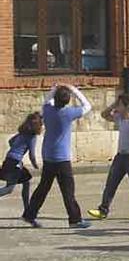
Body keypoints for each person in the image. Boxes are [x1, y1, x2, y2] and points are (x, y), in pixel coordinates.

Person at [22, 84, 92, 229]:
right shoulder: (69, 113)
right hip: (62, 158)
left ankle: (30, 214)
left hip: (48, 155)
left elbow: (46, 101)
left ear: (55, 98)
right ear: (67, 101)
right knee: (68, 190)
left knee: (43, 187)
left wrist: (55, 88)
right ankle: (75, 219)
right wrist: (74, 89)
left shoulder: (48, 111)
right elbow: (87, 106)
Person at [87, 94, 129, 221]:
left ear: (128, 107)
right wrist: (114, 104)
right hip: (120, 156)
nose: (118, 106)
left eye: (121, 104)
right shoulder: (120, 118)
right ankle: (103, 210)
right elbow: (104, 115)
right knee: (111, 183)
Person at [0, 112, 42, 211]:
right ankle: (27, 209)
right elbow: (32, 155)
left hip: (9, 160)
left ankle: (27, 208)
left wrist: (16, 149)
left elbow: (10, 141)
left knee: (26, 182)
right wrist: (36, 165)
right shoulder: (32, 137)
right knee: (9, 189)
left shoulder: (22, 134)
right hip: (15, 163)